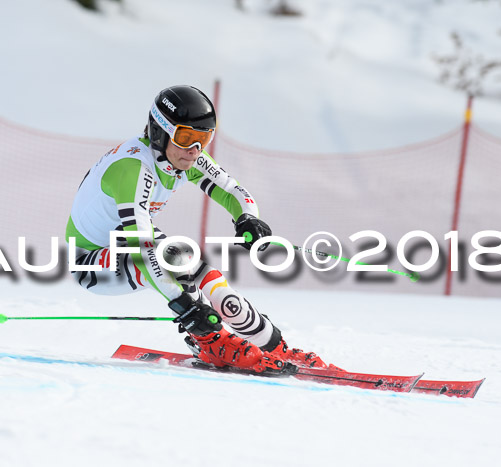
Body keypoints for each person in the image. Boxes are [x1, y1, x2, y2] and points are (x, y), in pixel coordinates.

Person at [66, 85, 325, 374]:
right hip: (91, 261)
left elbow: (232, 191)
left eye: (203, 139)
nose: (194, 150)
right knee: (177, 271)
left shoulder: (180, 155)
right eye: (186, 138)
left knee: (205, 277)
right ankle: (211, 341)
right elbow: (143, 249)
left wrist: (248, 219)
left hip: (134, 243)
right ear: (159, 132)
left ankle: (275, 346)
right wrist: (184, 306)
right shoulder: (133, 168)